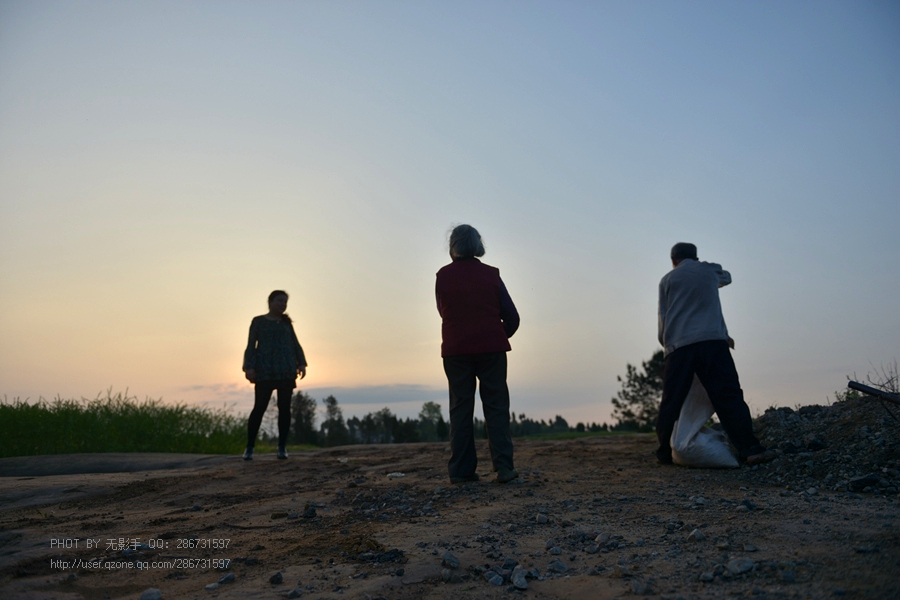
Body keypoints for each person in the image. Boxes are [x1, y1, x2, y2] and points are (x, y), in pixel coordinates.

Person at [656, 243, 774, 466]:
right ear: (696, 257)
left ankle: (663, 453)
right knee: (728, 395)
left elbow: (663, 316)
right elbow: (726, 277)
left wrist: (666, 345)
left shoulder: (667, 280)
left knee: (671, 400)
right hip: (712, 341)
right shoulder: (710, 270)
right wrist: (704, 270)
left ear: (673, 260)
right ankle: (751, 450)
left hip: (679, 345)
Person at [435, 224, 520, 484]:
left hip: (456, 351)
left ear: (453, 246)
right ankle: (504, 468)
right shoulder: (491, 274)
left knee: (460, 408)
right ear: (477, 244)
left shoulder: (443, 276)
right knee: (496, 407)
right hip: (491, 350)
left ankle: (461, 471)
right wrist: (496, 336)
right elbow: (513, 318)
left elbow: (443, 311)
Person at [242, 290, 307, 460]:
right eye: (279, 301)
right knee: (259, 408)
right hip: (265, 371)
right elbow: (250, 345)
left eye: (285, 302)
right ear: (270, 302)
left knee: (285, 408)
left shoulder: (286, 323)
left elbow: (295, 343)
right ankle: (250, 447)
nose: (283, 304)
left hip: (286, 370)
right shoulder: (258, 321)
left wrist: (301, 363)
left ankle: (282, 447)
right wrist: (249, 367)